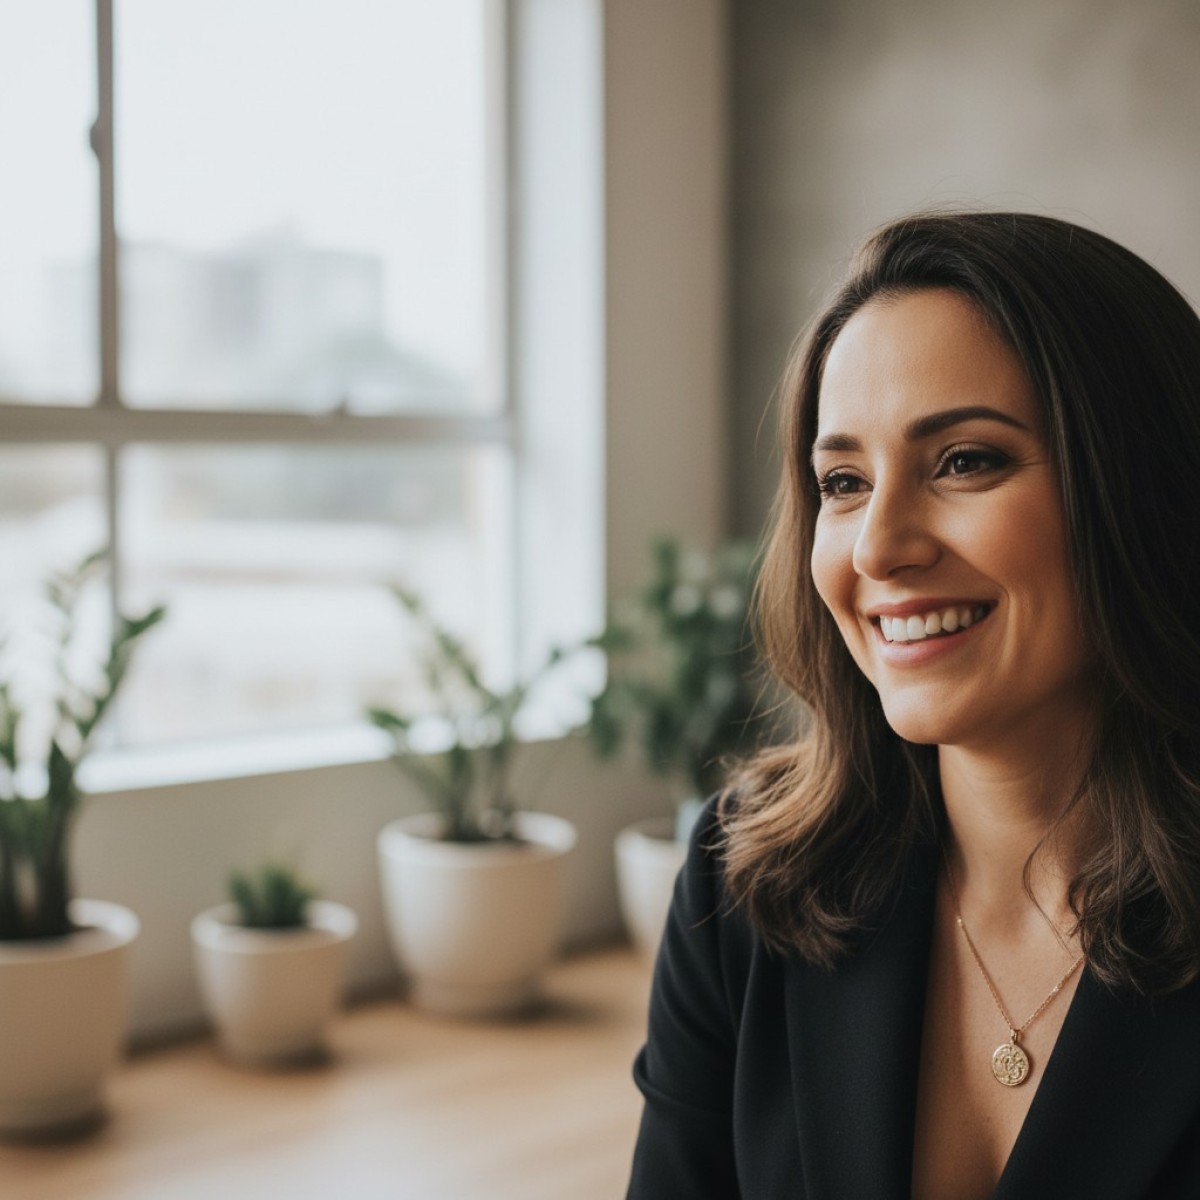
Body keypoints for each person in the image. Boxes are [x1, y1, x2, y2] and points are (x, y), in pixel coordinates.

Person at [625, 211, 1200, 1199]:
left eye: (965, 460)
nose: (878, 547)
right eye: (842, 482)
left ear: (1142, 484)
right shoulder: (743, 884)